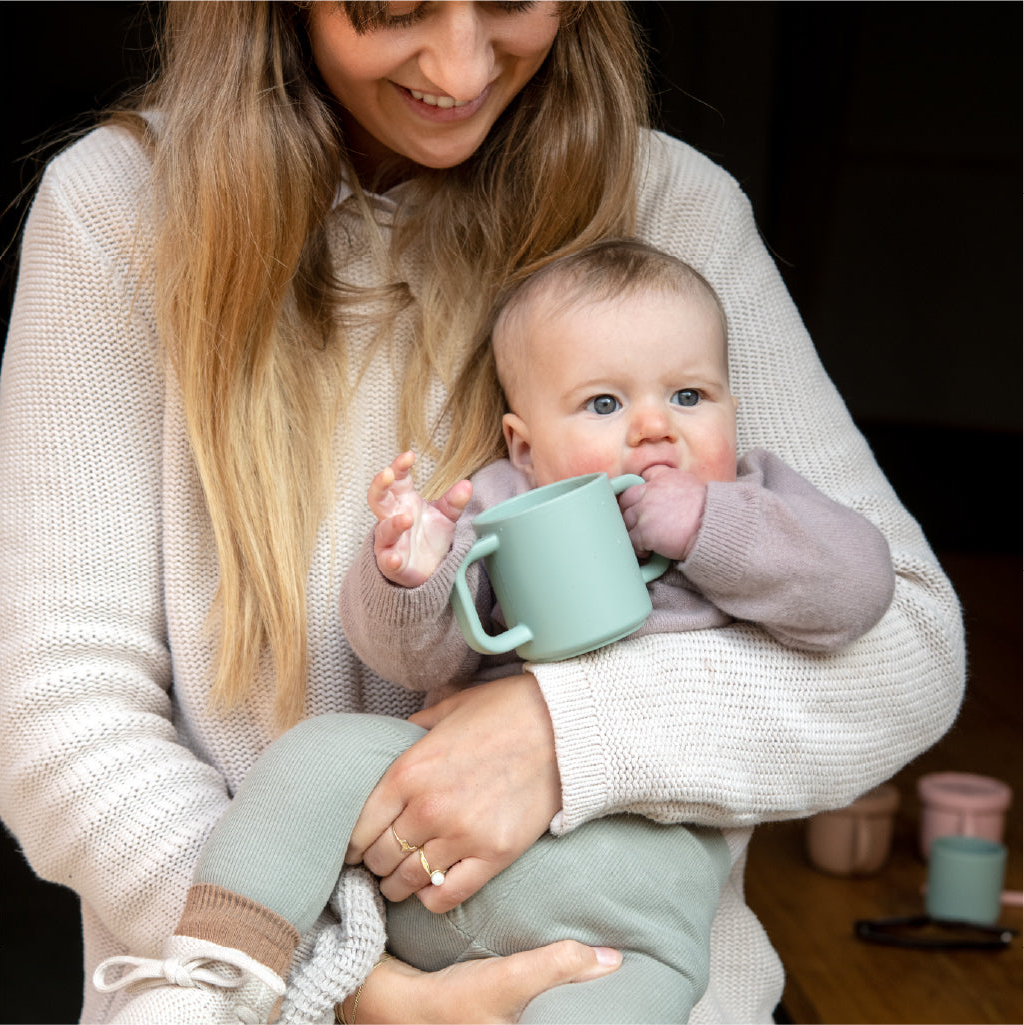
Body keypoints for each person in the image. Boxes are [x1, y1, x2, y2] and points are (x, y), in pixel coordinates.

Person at [0, 3, 964, 1024]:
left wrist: (562, 732)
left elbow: (901, 638)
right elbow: (58, 709)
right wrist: (347, 990)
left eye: (509, 0)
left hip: (622, 972)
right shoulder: (119, 211)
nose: (460, 67)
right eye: (392, 6)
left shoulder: (669, 209)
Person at [91, 238, 898, 1024]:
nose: (656, 429)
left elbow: (858, 589)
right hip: (422, 865)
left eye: (689, 397)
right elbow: (413, 654)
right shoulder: (502, 501)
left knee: (637, 997)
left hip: (629, 919)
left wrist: (710, 525)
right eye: (604, 403)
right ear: (525, 443)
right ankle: (216, 977)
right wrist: (412, 575)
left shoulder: (758, 501)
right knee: (316, 756)